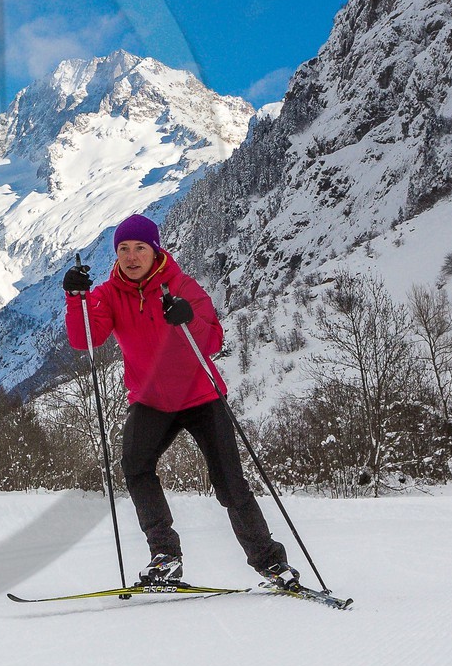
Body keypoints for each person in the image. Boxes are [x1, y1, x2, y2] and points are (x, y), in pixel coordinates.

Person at [63, 213, 299, 589]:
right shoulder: (108, 294)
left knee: (230, 483)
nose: (131, 256)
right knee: (136, 468)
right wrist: (76, 300)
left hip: (200, 395)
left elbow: (214, 341)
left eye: (140, 247)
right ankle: (165, 557)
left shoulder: (182, 286)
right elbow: (85, 340)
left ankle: (271, 563)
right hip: (152, 400)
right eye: (123, 249)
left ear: (155, 251)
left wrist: (188, 319)